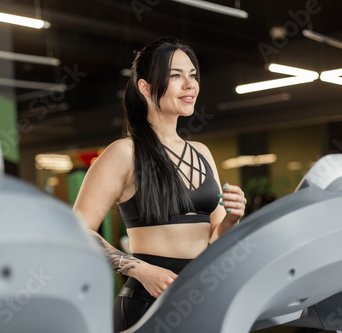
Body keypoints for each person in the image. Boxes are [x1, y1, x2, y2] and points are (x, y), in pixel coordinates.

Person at [73, 37, 247, 332]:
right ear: (145, 87)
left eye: (193, 75)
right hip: (147, 301)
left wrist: (232, 216)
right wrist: (142, 270)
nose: (190, 84)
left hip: (202, 296)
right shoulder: (124, 153)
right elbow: (76, 229)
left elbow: (216, 239)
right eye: (176, 76)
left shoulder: (202, 153)